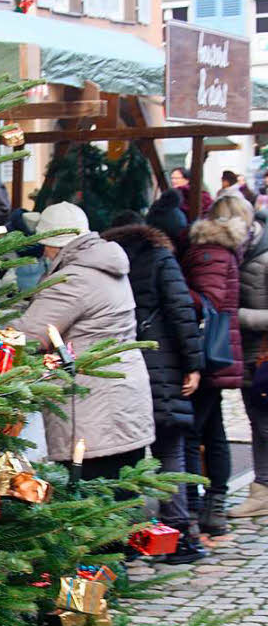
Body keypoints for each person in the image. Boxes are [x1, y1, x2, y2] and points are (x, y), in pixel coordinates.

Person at [11, 202, 155, 477]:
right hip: (124, 398)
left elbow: (29, 335)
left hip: (93, 409)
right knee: (120, 500)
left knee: (92, 498)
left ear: (53, 243)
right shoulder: (105, 265)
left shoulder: (74, 278)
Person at [103, 219, 206, 562]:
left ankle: (123, 541)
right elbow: (181, 312)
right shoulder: (160, 257)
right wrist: (194, 364)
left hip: (119, 365)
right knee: (169, 454)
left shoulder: (109, 260)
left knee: (123, 456)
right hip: (163, 366)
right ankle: (177, 538)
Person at [181, 194, 247, 538]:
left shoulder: (209, 252)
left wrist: (175, 291)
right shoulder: (227, 252)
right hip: (218, 353)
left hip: (205, 355)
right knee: (213, 429)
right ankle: (213, 506)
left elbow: (207, 300)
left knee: (195, 433)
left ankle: (195, 507)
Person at [231, 204, 268, 518]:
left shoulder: (262, 257)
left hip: (263, 358)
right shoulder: (242, 254)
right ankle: (261, 490)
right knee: (258, 424)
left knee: (264, 426)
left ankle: (263, 490)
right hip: (249, 358)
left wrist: (236, 316)